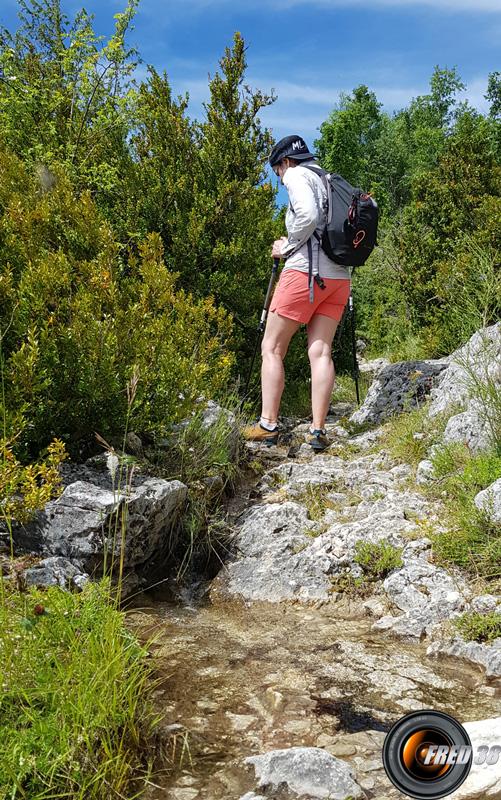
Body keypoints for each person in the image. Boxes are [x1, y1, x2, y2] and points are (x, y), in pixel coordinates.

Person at [243, 135, 351, 451]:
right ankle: (318, 431)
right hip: (339, 279)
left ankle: (268, 424)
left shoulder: (296, 174)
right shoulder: (326, 179)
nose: (280, 178)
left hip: (305, 275)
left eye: (278, 172)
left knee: (272, 347)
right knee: (320, 352)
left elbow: (307, 216)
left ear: (285, 162)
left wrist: (286, 247)